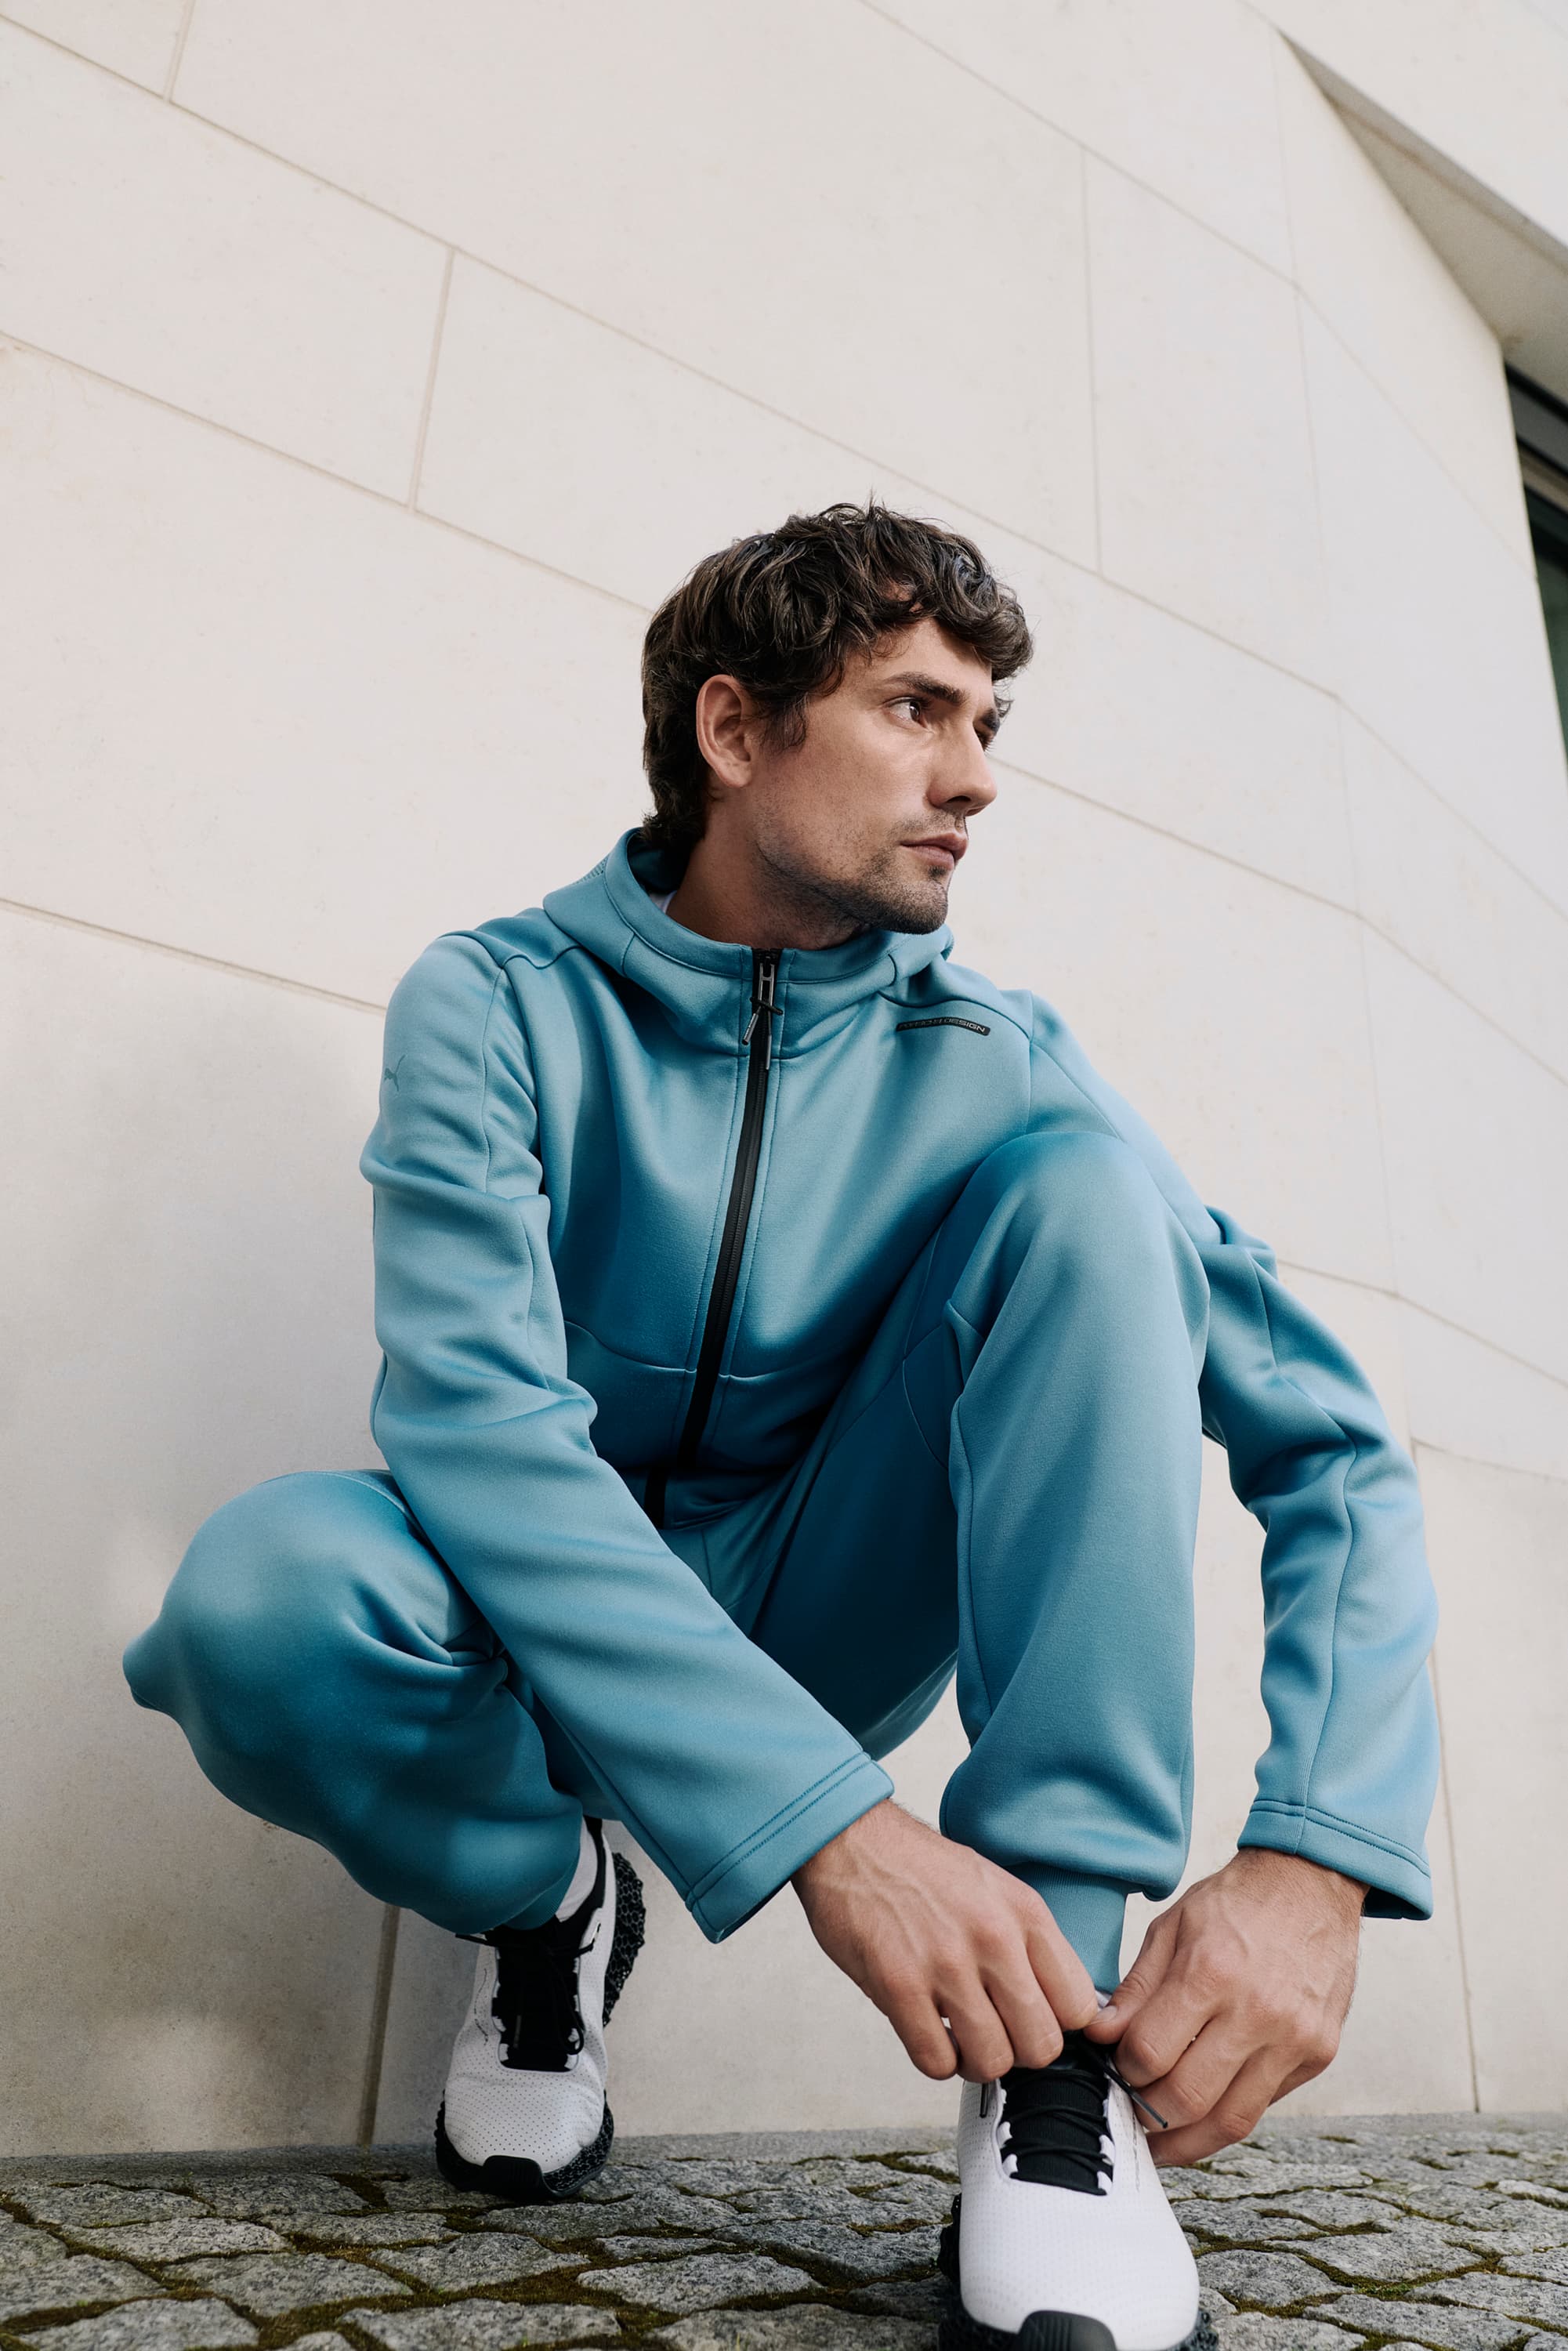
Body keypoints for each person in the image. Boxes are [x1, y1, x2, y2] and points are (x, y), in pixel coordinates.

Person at [126, 503, 1439, 2351]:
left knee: (1084, 1204)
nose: (973, 778)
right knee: (258, 1606)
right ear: (734, 730)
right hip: (531, 1627)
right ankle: (549, 1911)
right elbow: (478, 1427)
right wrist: (834, 1834)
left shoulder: (999, 1062)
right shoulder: (495, 1002)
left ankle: (1049, 2060)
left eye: (986, 725)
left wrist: (1321, 1855)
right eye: (915, 710)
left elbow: (1330, 1442)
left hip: (821, 1610)